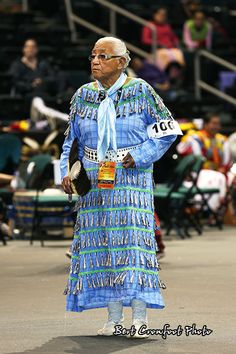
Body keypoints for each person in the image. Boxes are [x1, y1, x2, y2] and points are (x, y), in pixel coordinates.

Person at [60, 36, 182, 338]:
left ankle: (139, 320)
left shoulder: (141, 91)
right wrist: (65, 171)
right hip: (93, 182)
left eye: (103, 56)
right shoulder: (83, 95)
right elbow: (70, 141)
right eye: (93, 55)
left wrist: (139, 156)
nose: (95, 61)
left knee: (132, 248)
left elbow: (168, 132)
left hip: (130, 182)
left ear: (122, 62)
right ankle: (113, 320)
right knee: (103, 248)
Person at [177, 113, 234, 213]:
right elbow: (180, 150)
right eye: (214, 123)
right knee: (215, 178)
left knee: (226, 178)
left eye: (218, 124)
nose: (217, 126)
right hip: (199, 172)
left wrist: (223, 169)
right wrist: (187, 139)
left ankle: (216, 211)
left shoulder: (222, 140)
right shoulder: (195, 137)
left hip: (219, 171)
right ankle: (204, 210)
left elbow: (227, 161)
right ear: (206, 124)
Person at [141, 7, 185, 74]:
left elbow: (174, 37)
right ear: (154, 15)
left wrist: (176, 43)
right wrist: (158, 44)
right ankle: (164, 77)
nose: (162, 17)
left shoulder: (166, 26)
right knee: (165, 55)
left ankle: (177, 75)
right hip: (157, 50)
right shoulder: (149, 25)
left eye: (164, 15)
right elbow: (145, 39)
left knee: (179, 53)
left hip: (171, 49)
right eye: (160, 15)